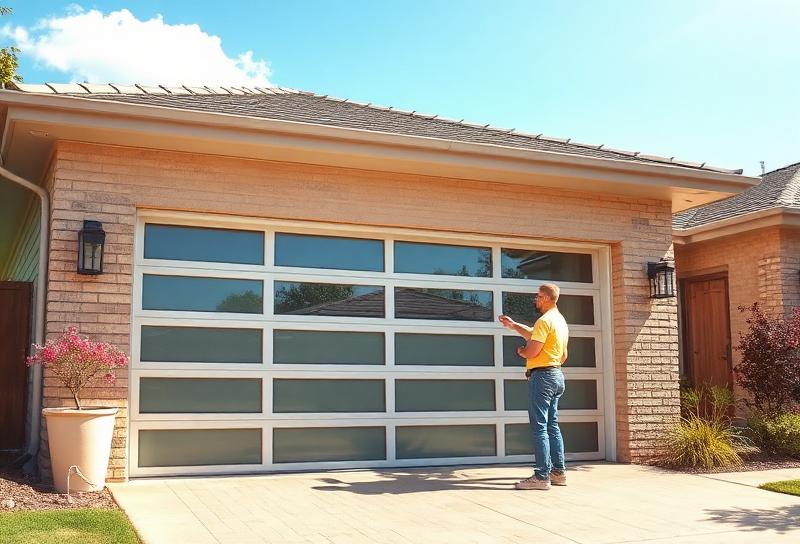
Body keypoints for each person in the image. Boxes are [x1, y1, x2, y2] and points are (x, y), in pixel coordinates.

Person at [499, 283, 568, 490]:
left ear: (546, 298)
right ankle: (558, 472)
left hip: (542, 377)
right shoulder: (559, 321)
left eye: (538, 296)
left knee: (539, 427)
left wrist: (521, 352)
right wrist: (514, 326)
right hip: (556, 375)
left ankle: (541, 477)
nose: (535, 300)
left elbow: (532, 350)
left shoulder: (544, 320)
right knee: (552, 425)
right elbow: (563, 355)